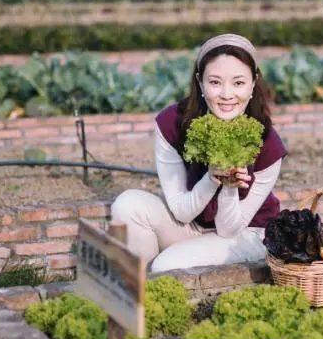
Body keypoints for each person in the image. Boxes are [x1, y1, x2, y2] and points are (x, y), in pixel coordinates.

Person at [110, 33, 288, 273]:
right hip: (191, 223)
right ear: (200, 82)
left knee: (167, 265)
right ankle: (133, 289)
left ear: (253, 83)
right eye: (215, 82)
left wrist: (229, 186)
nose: (226, 95)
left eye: (238, 83)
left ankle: (160, 277)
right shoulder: (172, 123)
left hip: (246, 233)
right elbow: (182, 212)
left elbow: (228, 230)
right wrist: (212, 177)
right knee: (127, 205)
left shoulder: (268, 143)